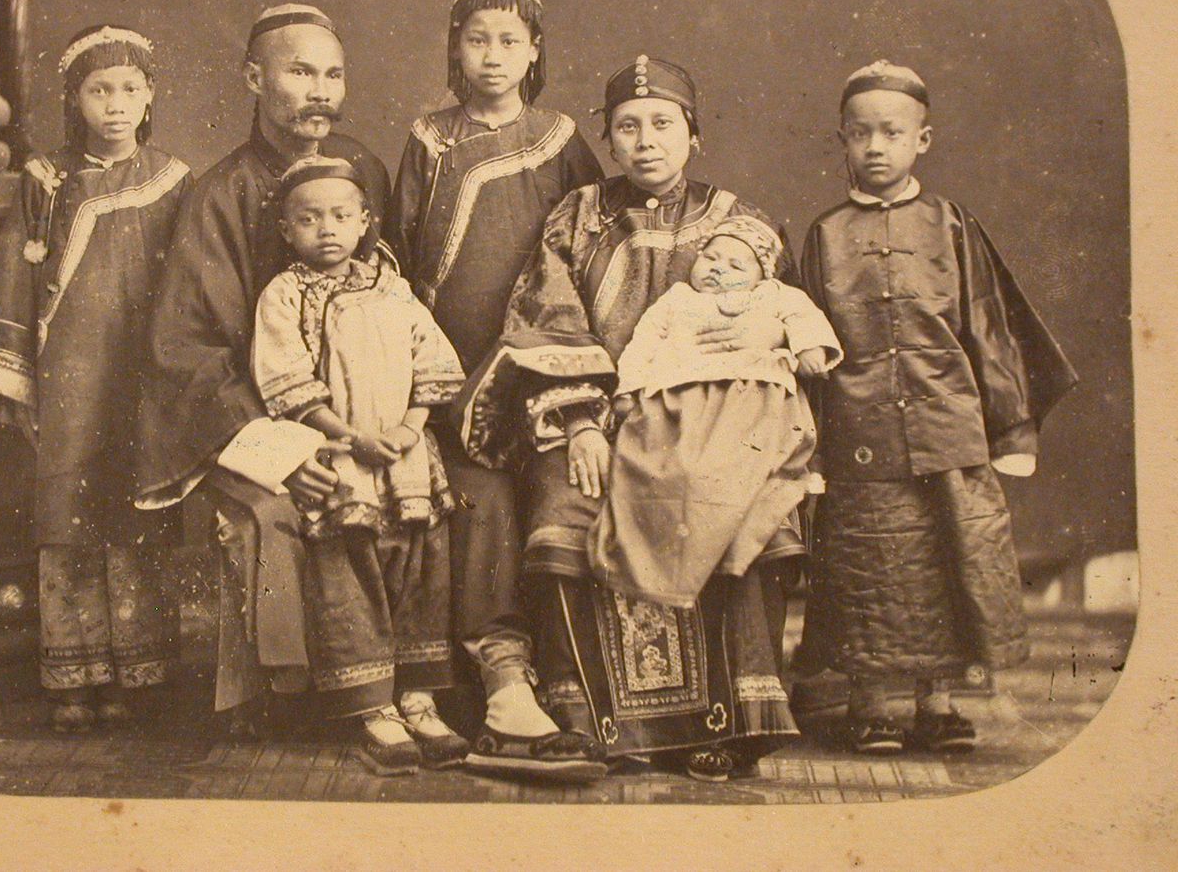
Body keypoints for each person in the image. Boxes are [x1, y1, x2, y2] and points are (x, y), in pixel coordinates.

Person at [457, 55, 804, 782]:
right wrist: (582, 420)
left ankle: (725, 724)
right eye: (627, 127)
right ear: (609, 140)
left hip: (706, 417)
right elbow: (549, 315)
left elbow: (784, 321)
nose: (646, 140)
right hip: (597, 413)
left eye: (663, 124)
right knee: (563, 501)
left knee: (728, 496)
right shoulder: (579, 215)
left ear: (693, 134)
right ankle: (584, 713)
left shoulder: (741, 222)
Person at [797, 60, 1078, 755]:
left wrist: (1011, 424)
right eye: (860, 134)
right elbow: (805, 339)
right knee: (870, 566)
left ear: (923, 139)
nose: (876, 147)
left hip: (946, 429)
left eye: (892, 132)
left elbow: (987, 322)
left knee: (948, 562)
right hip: (859, 436)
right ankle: (872, 704)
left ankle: (939, 703)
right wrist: (807, 449)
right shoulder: (825, 234)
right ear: (842, 141)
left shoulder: (952, 223)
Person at [134, 5, 396, 737]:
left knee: (417, 489)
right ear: (255, 77)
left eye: (333, 73)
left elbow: (397, 304)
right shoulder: (219, 193)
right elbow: (183, 351)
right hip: (251, 425)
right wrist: (286, 452)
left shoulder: (362, 171)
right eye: (299, 71)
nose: (320, 90)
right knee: (284, 510)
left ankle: (403, 687)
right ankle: (296, 701)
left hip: (360, 414)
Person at [382, 0, 606, 781]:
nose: (492, 56)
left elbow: (589, 245)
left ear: (536, 50)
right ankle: (502, 683)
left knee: (554, 504)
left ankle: (575, 686)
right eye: (477, 39)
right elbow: (403, 258)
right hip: (452, 367)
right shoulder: (429, 137)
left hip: (538, 366)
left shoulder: (559, 137)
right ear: (454, 47)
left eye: (511, 40)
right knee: (481, 503)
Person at [0, 25, 191, 731]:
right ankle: (76, 674)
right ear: (74, 98)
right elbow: (12, 281)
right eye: (98, 90)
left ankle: (139, 671)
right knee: (68, 515)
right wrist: (17, 376)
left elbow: (192, 287)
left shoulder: (173, 180)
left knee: (133, 510)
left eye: (129, 89)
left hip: (141, 373)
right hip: (68, 377)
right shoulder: (46, 181)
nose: (115, 105)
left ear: (149, 97)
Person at [250, 156, 468, 774]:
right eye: (309, 218)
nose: (327, 229)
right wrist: (348, 436)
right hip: (343, 458)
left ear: (366, 221)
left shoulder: (392, 288)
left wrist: (407, 430)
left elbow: (432, 360)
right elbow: (284, 374)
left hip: (405, 458)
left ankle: (420, 698)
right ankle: (374, 707)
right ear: (287, 230)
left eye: (342, 216)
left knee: (419, 566)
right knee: (349, 573)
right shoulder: (285, 294)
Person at [588, 214, 842, 609]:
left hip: (752, 403)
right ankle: (661, 570)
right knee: (663, 466)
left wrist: (809, 349)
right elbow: (644, 342)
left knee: (734, 472)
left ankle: (724, 550)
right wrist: (630, 388)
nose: (718, 269)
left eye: (736, 265)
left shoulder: (775, 296)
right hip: (679, 403)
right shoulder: (676, 300)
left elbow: (806, 319)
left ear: (761, 274)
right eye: (710, 258)